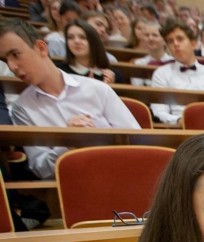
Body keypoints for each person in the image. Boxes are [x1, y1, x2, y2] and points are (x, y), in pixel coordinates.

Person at [0, 18, 139, 179]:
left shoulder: (97, 89)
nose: (11, 67)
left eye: (16, 55)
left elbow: (136, 140)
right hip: (70, 187)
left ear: (41, 48)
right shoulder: (21, 108)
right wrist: (68, 144)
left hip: (118, 174)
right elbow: (41, 170)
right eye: (4, 60)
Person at [150, 20, 204, 125]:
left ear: (193, 43)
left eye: (180, 39)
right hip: (179, 129)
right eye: (170, 41)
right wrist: (178, 121)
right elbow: (159, 111)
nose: (175, 44)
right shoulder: (161, 74)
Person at [57, 19, 121, 84]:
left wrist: (109, 87)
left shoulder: (113, 75)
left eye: (83, 37)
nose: (76, 41)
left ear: (94, 42)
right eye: (70, 37)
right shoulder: (59, 72)